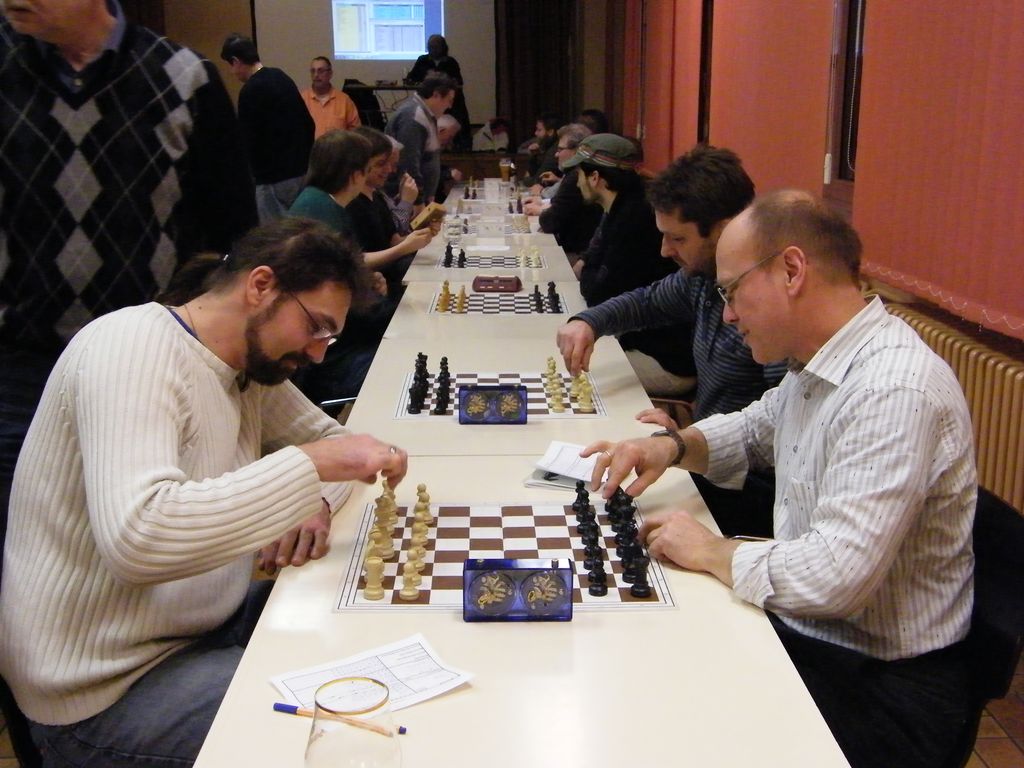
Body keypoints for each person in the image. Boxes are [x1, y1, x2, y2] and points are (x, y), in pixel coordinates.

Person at [586, 190, 976, 768]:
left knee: (659, 717)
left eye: (731, 291)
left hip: (882, 687)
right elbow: (756, 427)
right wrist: (669, 446)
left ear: (792, 270)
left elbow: (834, 578)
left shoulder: (893, 389)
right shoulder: (822, 363)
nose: (727, 314)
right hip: (823, 639)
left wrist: (712, 550)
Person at [0, 217, 409, 766]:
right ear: (260, 285)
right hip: (105, 687)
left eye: (328, 337)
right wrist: (304, 471)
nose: (318, 354)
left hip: (202, 627)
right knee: (347, 738)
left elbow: (345, 449)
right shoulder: (130, 347)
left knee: (371, 651)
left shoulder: (245, 368)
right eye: (315, 327)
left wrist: (311, 495)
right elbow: (140, 537)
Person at [0, 0, 257, 584]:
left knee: (138, 554)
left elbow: (232, 236)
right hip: (18, 366)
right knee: (23, 562)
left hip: (143, 369)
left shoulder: (184, 77)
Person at [556, 146, 784, 537]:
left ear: (726, 229)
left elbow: (778, 435)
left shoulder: (771, 309)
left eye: (677, 237)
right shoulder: (701, 277)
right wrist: (587, 322)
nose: (664, 250)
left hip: (743, 495)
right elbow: (646, 302)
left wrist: (686, 441)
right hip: (704, 460)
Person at [558, 133, 692, 387]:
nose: (577, 183)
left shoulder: (634, 218)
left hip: (664, 359)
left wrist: (589, 271)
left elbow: (596, 293)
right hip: (642, 341)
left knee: (563, 370)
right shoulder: (620, 207)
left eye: (579, 175)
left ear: (595, 178)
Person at [221, 33, 314, 223]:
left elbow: (248, 142)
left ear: (236, 61)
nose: (231, 72)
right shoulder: (281, 77)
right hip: (301, 173)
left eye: (230, 65)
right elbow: (308, 123)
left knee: (275, 236)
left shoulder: (249, 91)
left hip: (271, 179)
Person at [385, 73, 457, 205]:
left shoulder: (425, 115)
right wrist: (418, 202)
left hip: (418, 199)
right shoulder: (413, 117)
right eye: (449, 100)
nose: (450, 106)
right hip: (408, 201)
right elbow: (408, 164)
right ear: (436, 95)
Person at [406, 33, 470, 150]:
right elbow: (412, 78)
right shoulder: (422, 60)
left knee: (458, 107)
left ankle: (460, 145)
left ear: (443, 47)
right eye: (430, 47)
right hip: (428, 98)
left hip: (448, 99)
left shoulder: (451, 62)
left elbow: (458, 81)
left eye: (436, 47)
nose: (433, 50)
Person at [302, 55, 361, 137]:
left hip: (338, 145)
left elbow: (356, 133)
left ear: (330, 74)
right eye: (313, 71)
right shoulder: (302, 99)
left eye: (320, 71)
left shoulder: (344, 100)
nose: (316, 75)